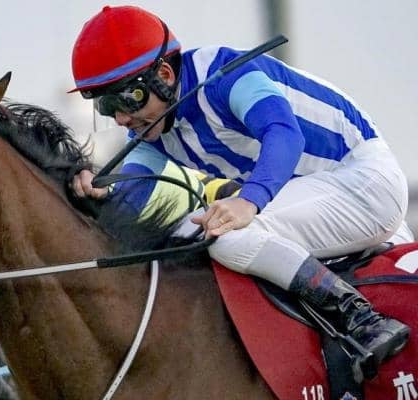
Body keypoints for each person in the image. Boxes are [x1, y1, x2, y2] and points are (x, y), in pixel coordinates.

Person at [68, 5, 413, 377]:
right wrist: (95, 195)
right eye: (106, 105)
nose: (121, 118)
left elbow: (284, 133)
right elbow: (131, 197)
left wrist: (249, 201)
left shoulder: (225, 75)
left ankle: (362, 319)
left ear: (164, 76)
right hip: (319, 201)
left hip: (364, 183)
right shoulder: (151, 132)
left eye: (128, 98)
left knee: (222, 235)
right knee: (184, 234)